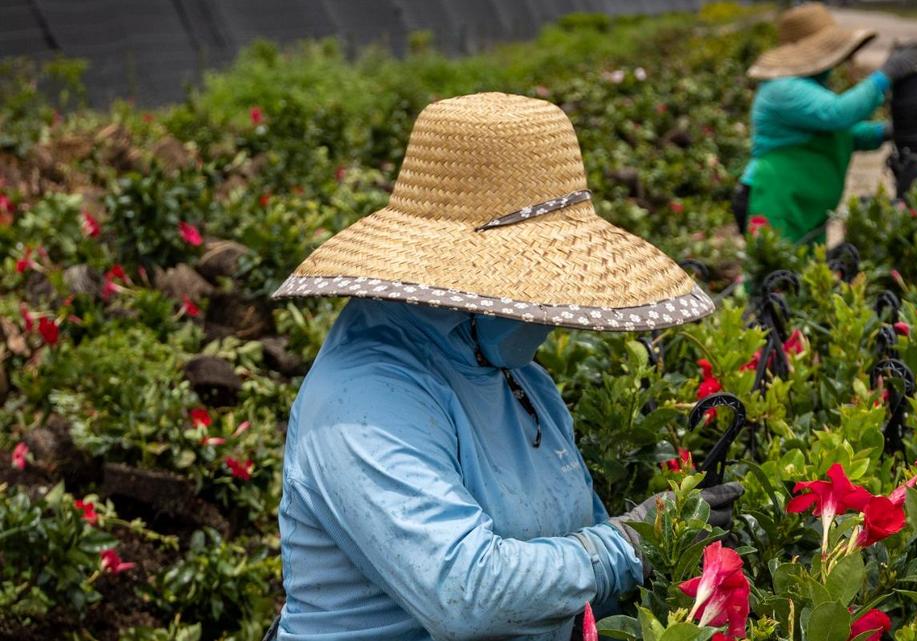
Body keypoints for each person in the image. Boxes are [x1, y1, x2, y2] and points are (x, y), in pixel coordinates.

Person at [268, 92, 744, 641]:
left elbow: (576, 566)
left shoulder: (518, 380)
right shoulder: (364, 400)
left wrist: (665, 541)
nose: (549, 309)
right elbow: (465, 593)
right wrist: (632, 543)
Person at [733, 2, 917, 243]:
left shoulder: (808, 87)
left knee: (806, 273)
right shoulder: (782, 88)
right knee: (774, 273)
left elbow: (839, 136)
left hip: (805, 206)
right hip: (776, 199)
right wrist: (885, 75)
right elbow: (838, 114)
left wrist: (885, 132)